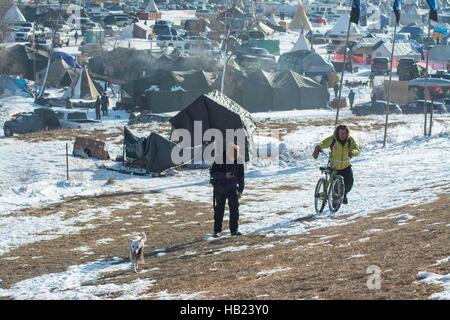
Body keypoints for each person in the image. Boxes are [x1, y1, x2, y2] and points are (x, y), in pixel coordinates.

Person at [312, 125, 360, 205]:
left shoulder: (350, 140)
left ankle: (343, 195)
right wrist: (318, 147)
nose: (342, 135)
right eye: (341, 133)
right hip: (334, 167)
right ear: (337, 133)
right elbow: (323, 143)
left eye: (344, 133)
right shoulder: (333, 139)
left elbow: (357, 150)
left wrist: (353, 152)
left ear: (347, 133)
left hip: (346, 166)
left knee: (349, 183)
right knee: (336, 186)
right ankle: (335, 202)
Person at [210, 144, 245, 238]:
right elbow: (213, 173)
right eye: (231, 157)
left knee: (234, 209)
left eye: (234, 157)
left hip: (233, 188)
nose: (233, 159)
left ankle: (234, 230)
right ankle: (217, 231)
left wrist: (240, 190)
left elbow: (241, 176)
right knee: (219, 210)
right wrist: (224, 175)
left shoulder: (239, 160)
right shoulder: (219, 158)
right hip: (220, 188)